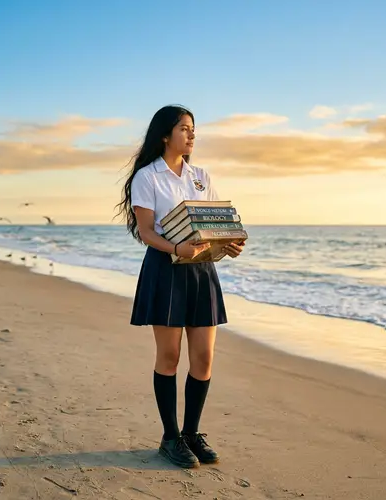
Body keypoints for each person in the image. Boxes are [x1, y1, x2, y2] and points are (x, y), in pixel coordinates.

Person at [115, 105, 245, 468]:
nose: (191, 135)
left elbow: (213, 224)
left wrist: (229, 244)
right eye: (185, 129)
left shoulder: (201, 176)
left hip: (201, 271)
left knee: (203, 358)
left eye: (193, 129)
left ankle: (191, 433)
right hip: (165, 269)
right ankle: (170, 438)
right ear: (165, 134)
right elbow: (145, 232)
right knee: (169, 357)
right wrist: (176, 248)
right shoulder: (148, 177)